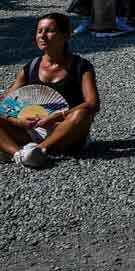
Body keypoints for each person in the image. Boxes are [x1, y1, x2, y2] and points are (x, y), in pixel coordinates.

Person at [0, 13, 99, 169]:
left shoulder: (81, 67)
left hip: (66, 130)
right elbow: (6, 103)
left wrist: (56, 117)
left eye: (49, 31)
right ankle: (19, 154)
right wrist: (17, 121)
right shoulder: (30, 68)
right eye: (39, 31)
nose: (42, 36)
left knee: (82, 113)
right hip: (32, 130)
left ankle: (39, 150)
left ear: (66, 35)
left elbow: (93, 104)